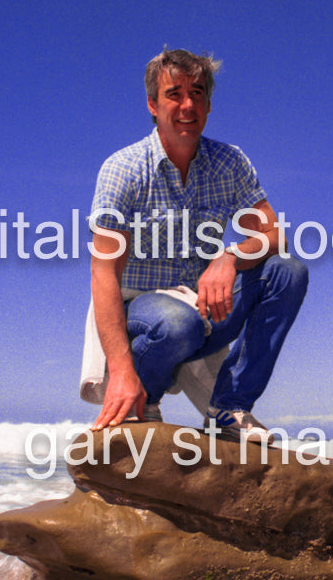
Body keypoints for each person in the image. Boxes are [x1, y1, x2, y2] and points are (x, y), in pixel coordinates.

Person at [83, 48, 308, 442]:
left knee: (287, 271)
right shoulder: (123, 169)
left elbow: (276, 236)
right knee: (175, 322)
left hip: (204, 304)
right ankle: (143, 397)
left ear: (208, 104)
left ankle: (230, 406)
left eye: (198, 92)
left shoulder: (230, 162)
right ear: (153, 105)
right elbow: (103, 272)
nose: (188, 105)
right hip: (142, 310)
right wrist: (119, 371)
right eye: (174, 94)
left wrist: (231, 256)